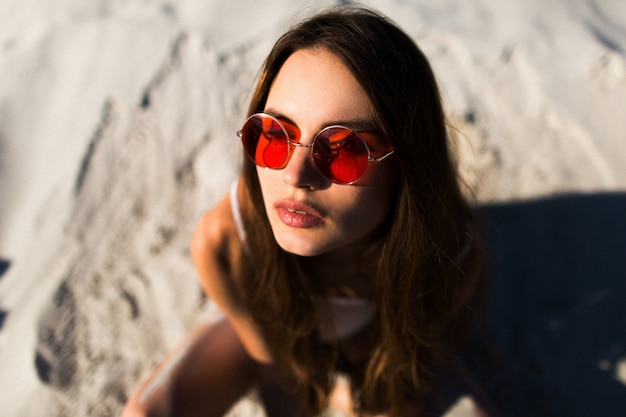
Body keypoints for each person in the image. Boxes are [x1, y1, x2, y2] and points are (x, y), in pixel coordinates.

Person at [121, 6, 492, 417]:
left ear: (408, 167)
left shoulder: (448, 259)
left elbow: (404, 358)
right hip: (273, 318)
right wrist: (284, 370)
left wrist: (358, 383)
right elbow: (265, 353)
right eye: (274, 135)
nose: (296, 175)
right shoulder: (224, 243)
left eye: (346, 148)